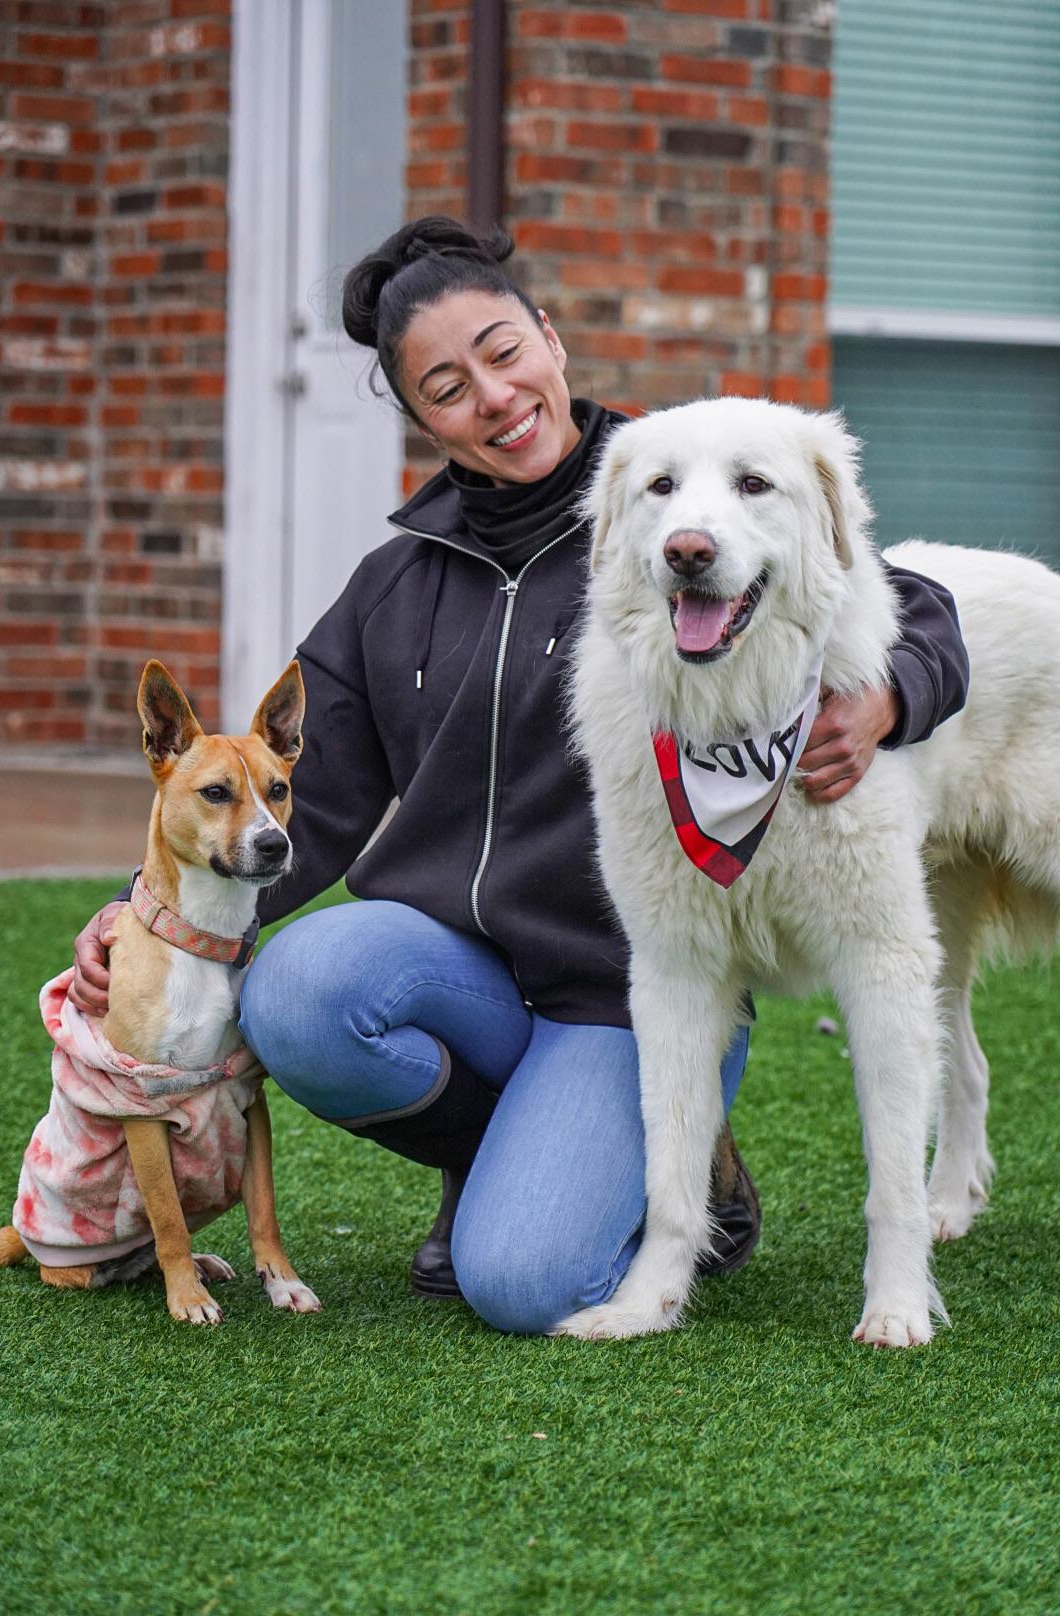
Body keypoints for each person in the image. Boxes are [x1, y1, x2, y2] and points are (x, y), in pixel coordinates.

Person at [72, 216, 970, 1335]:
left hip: (622, 985)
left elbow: (908, 601)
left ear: (547, 337)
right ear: (420, 420)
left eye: (503, 352)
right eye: (448, 386)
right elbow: (316, 796)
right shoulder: (393, 583)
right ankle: (534, 1147)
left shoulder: (674, 487)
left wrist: (896, 694)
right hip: (462, 968)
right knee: (298, 988)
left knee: (520, 1282)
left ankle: (663, 1168)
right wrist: (137, 915)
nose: (493, 398)